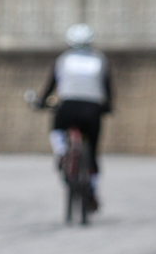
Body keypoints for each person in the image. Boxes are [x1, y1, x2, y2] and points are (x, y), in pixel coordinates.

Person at [37, 23, 112, 206]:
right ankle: (92, 187)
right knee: (92, 150)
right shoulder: (100, 59)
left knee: (56, 128)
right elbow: (107, 87)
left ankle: (62, 151)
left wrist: (41, 101)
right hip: (92, 109)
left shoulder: (64, 59)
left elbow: (51, 84)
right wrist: (108, 106)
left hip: (68, 106)